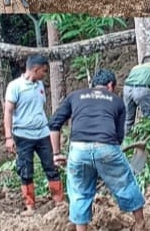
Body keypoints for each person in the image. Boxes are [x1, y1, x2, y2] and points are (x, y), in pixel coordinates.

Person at [49, 69, 145, 231]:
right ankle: (140, 223)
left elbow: (54, 124)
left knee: (79, 193)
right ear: (110, 85)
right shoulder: (116, 101)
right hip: (106, 147)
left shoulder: (75, 95)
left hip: (78, 150)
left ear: (93, 85)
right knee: (126, 183)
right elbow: (119, 137)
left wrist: (57, 153)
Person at [4, 55, 64, 213]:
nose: (45, 74)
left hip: (43, 133)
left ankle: (59, 202)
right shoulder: (14, 86)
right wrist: (8, 137)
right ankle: (30, 206)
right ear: (35, 70)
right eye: (43, 71)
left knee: (51, 166)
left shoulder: (40, 85)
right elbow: (8, 111)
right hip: (23, 135)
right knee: (25, 170)